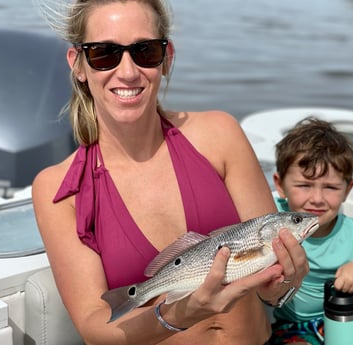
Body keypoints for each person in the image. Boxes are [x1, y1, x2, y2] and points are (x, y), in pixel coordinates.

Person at [31, 1, 309, 344]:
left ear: (167, 57)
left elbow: (272, 285)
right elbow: (94, 325)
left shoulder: (221, 135)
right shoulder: (57, 190)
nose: (128, 71)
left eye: (145, 50)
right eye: (105, 53)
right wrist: (182, 313)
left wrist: (284, 281)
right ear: (79, 65)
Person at [268, 117, 353, 345]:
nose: (317, 199)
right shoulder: (270, 215)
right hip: (289, 327)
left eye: (331, 187)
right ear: (280, 185)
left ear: (348, 189)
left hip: (345, 321)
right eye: (304, 185)